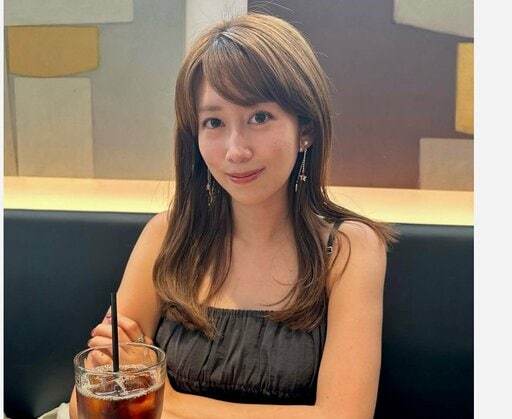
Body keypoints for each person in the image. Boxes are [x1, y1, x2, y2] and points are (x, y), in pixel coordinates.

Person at [70, 12, 398, 419]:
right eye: (214, 122)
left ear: (306, 129)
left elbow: (344, 416)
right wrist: (117, 376)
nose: (235, 150)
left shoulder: (347, 249)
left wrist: (168, 400)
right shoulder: (167, 235)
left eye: (259, 117)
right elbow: (88, 402)